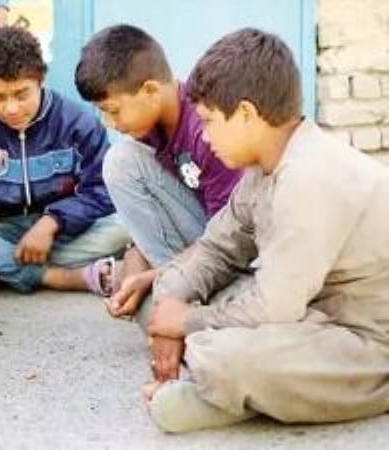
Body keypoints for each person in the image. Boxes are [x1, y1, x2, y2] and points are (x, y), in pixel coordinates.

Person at [143, 28, 389, 433]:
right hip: (306, 314)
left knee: (221, 355)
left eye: (208, 121)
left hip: (365, 344)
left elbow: (275, 308)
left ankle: (225, 387)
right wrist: (172, 306)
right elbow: (216, 249)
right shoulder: (262, 168)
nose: (203, 135)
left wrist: (185, 323)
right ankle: (242, 392)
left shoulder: (308, 177)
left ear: (245, 114)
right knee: (166, 297)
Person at [0, 26, 130, 298]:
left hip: (64, 231)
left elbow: (100, 191)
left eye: (22, 94)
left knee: (124, 227)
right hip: (3, 230)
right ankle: (52, 275)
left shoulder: (78, 124)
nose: (11, 108)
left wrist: (52, 222)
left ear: (41, 80)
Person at [74, 24, 241, 318]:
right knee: (122, 160)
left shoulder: (208, 131)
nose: (110, 123)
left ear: (151, 90)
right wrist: (135, 253)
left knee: (120, 161)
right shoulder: (148, 126)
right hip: (203, 237)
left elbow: (231, 238)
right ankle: (174, 291)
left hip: (236, 244)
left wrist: (150, 277)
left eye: (113, 110)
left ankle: (180, 295)